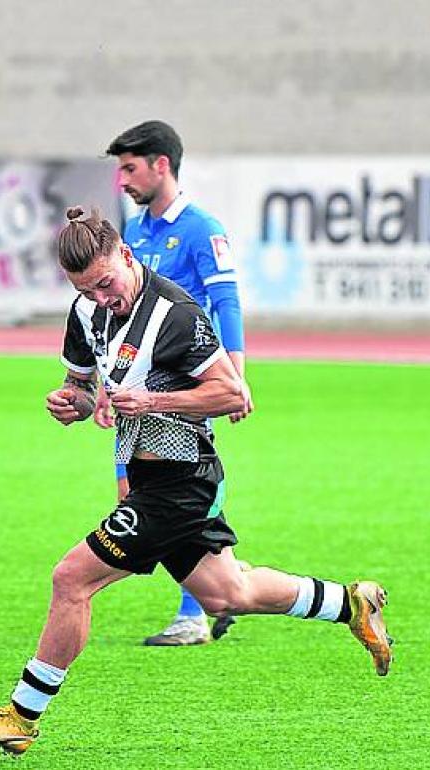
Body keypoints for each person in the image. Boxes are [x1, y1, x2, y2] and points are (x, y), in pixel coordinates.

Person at [0, 207, 391, 757]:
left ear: (127, 256)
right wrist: (73, 401)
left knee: (71, 579)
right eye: (87, 289)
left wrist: (156, 400)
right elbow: (83, 384)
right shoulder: (86, 312)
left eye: (107, 283)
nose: (101, 297)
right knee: (226, 593)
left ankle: (20, 717)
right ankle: (350, 603)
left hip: (181, 482)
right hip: (148, 477)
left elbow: (232, 393)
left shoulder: (177, 316)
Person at [102, 120, 254, 646]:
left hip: (184, 386)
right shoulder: (136, 233)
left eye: (130, 168)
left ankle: (194, 612)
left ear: (160, 165)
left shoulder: (200, 229)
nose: (122, 180)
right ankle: (226, 577)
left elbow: (227, 302)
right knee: (136, 488)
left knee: (159, 491)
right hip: (136, 390)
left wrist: (235, 375)